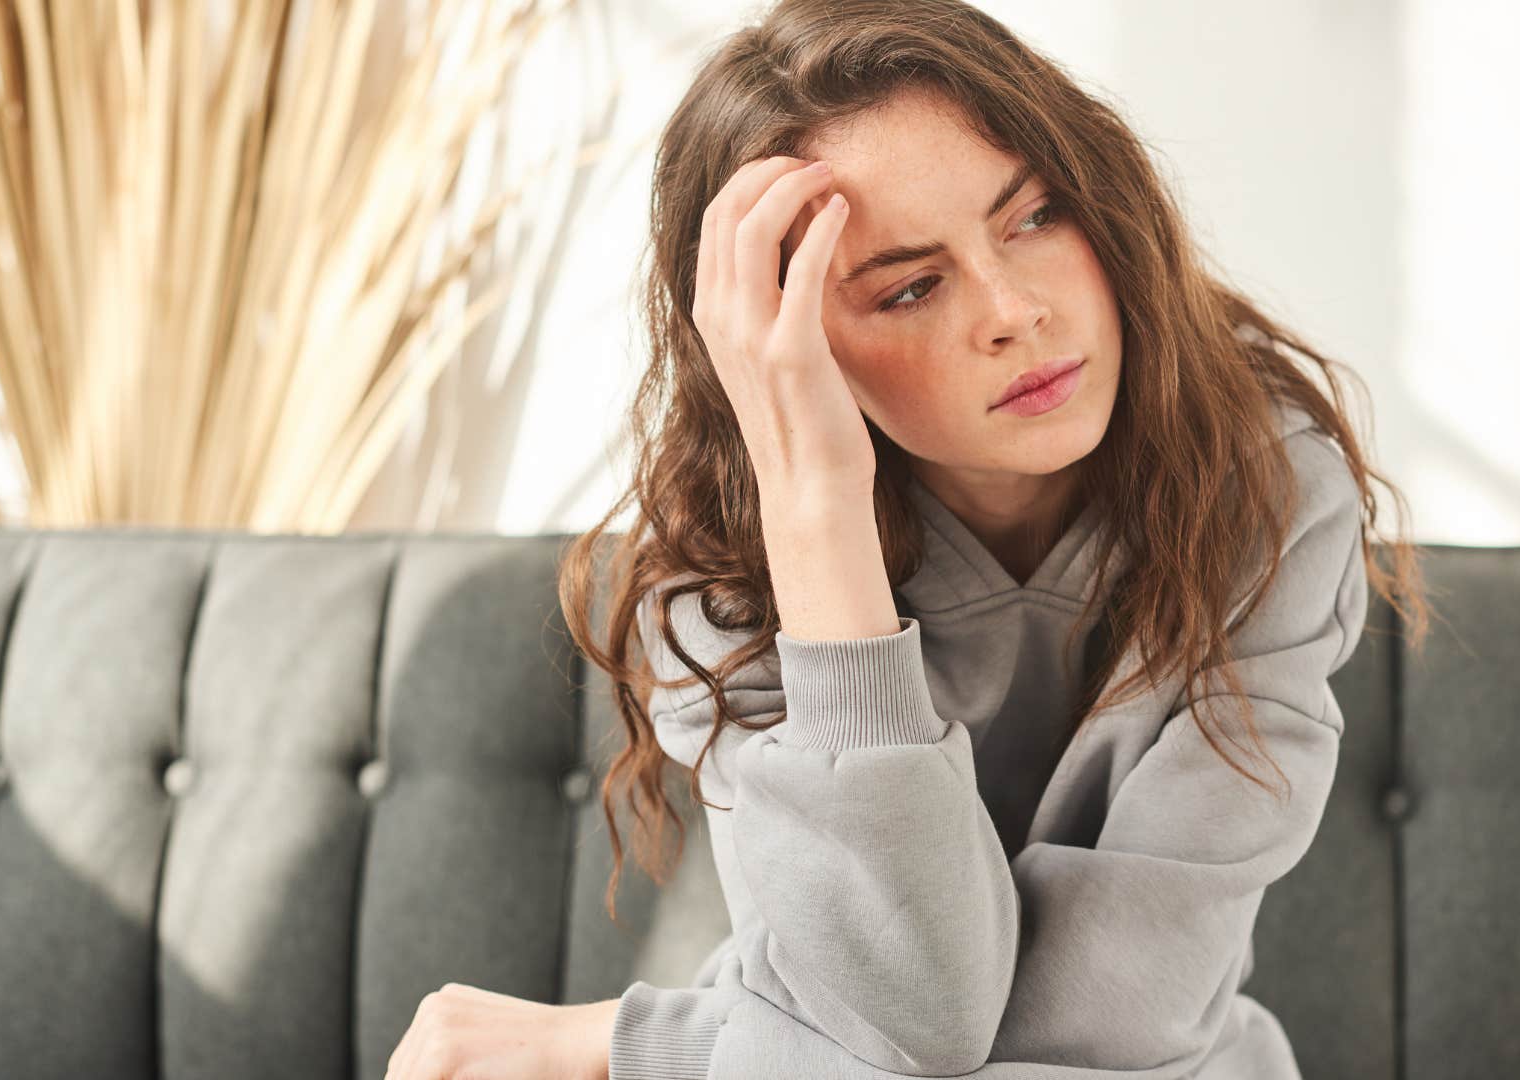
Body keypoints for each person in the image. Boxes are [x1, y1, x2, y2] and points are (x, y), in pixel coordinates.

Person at [557, 0, 1434, 1075]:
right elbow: (912, 1016)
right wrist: (820, 515)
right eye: (912, 286)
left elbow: (1116, 1024)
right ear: (783, 344)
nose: (1014, 309)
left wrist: (651, 1046)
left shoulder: (1263, 489)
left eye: (1035, 218)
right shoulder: (730, 576)